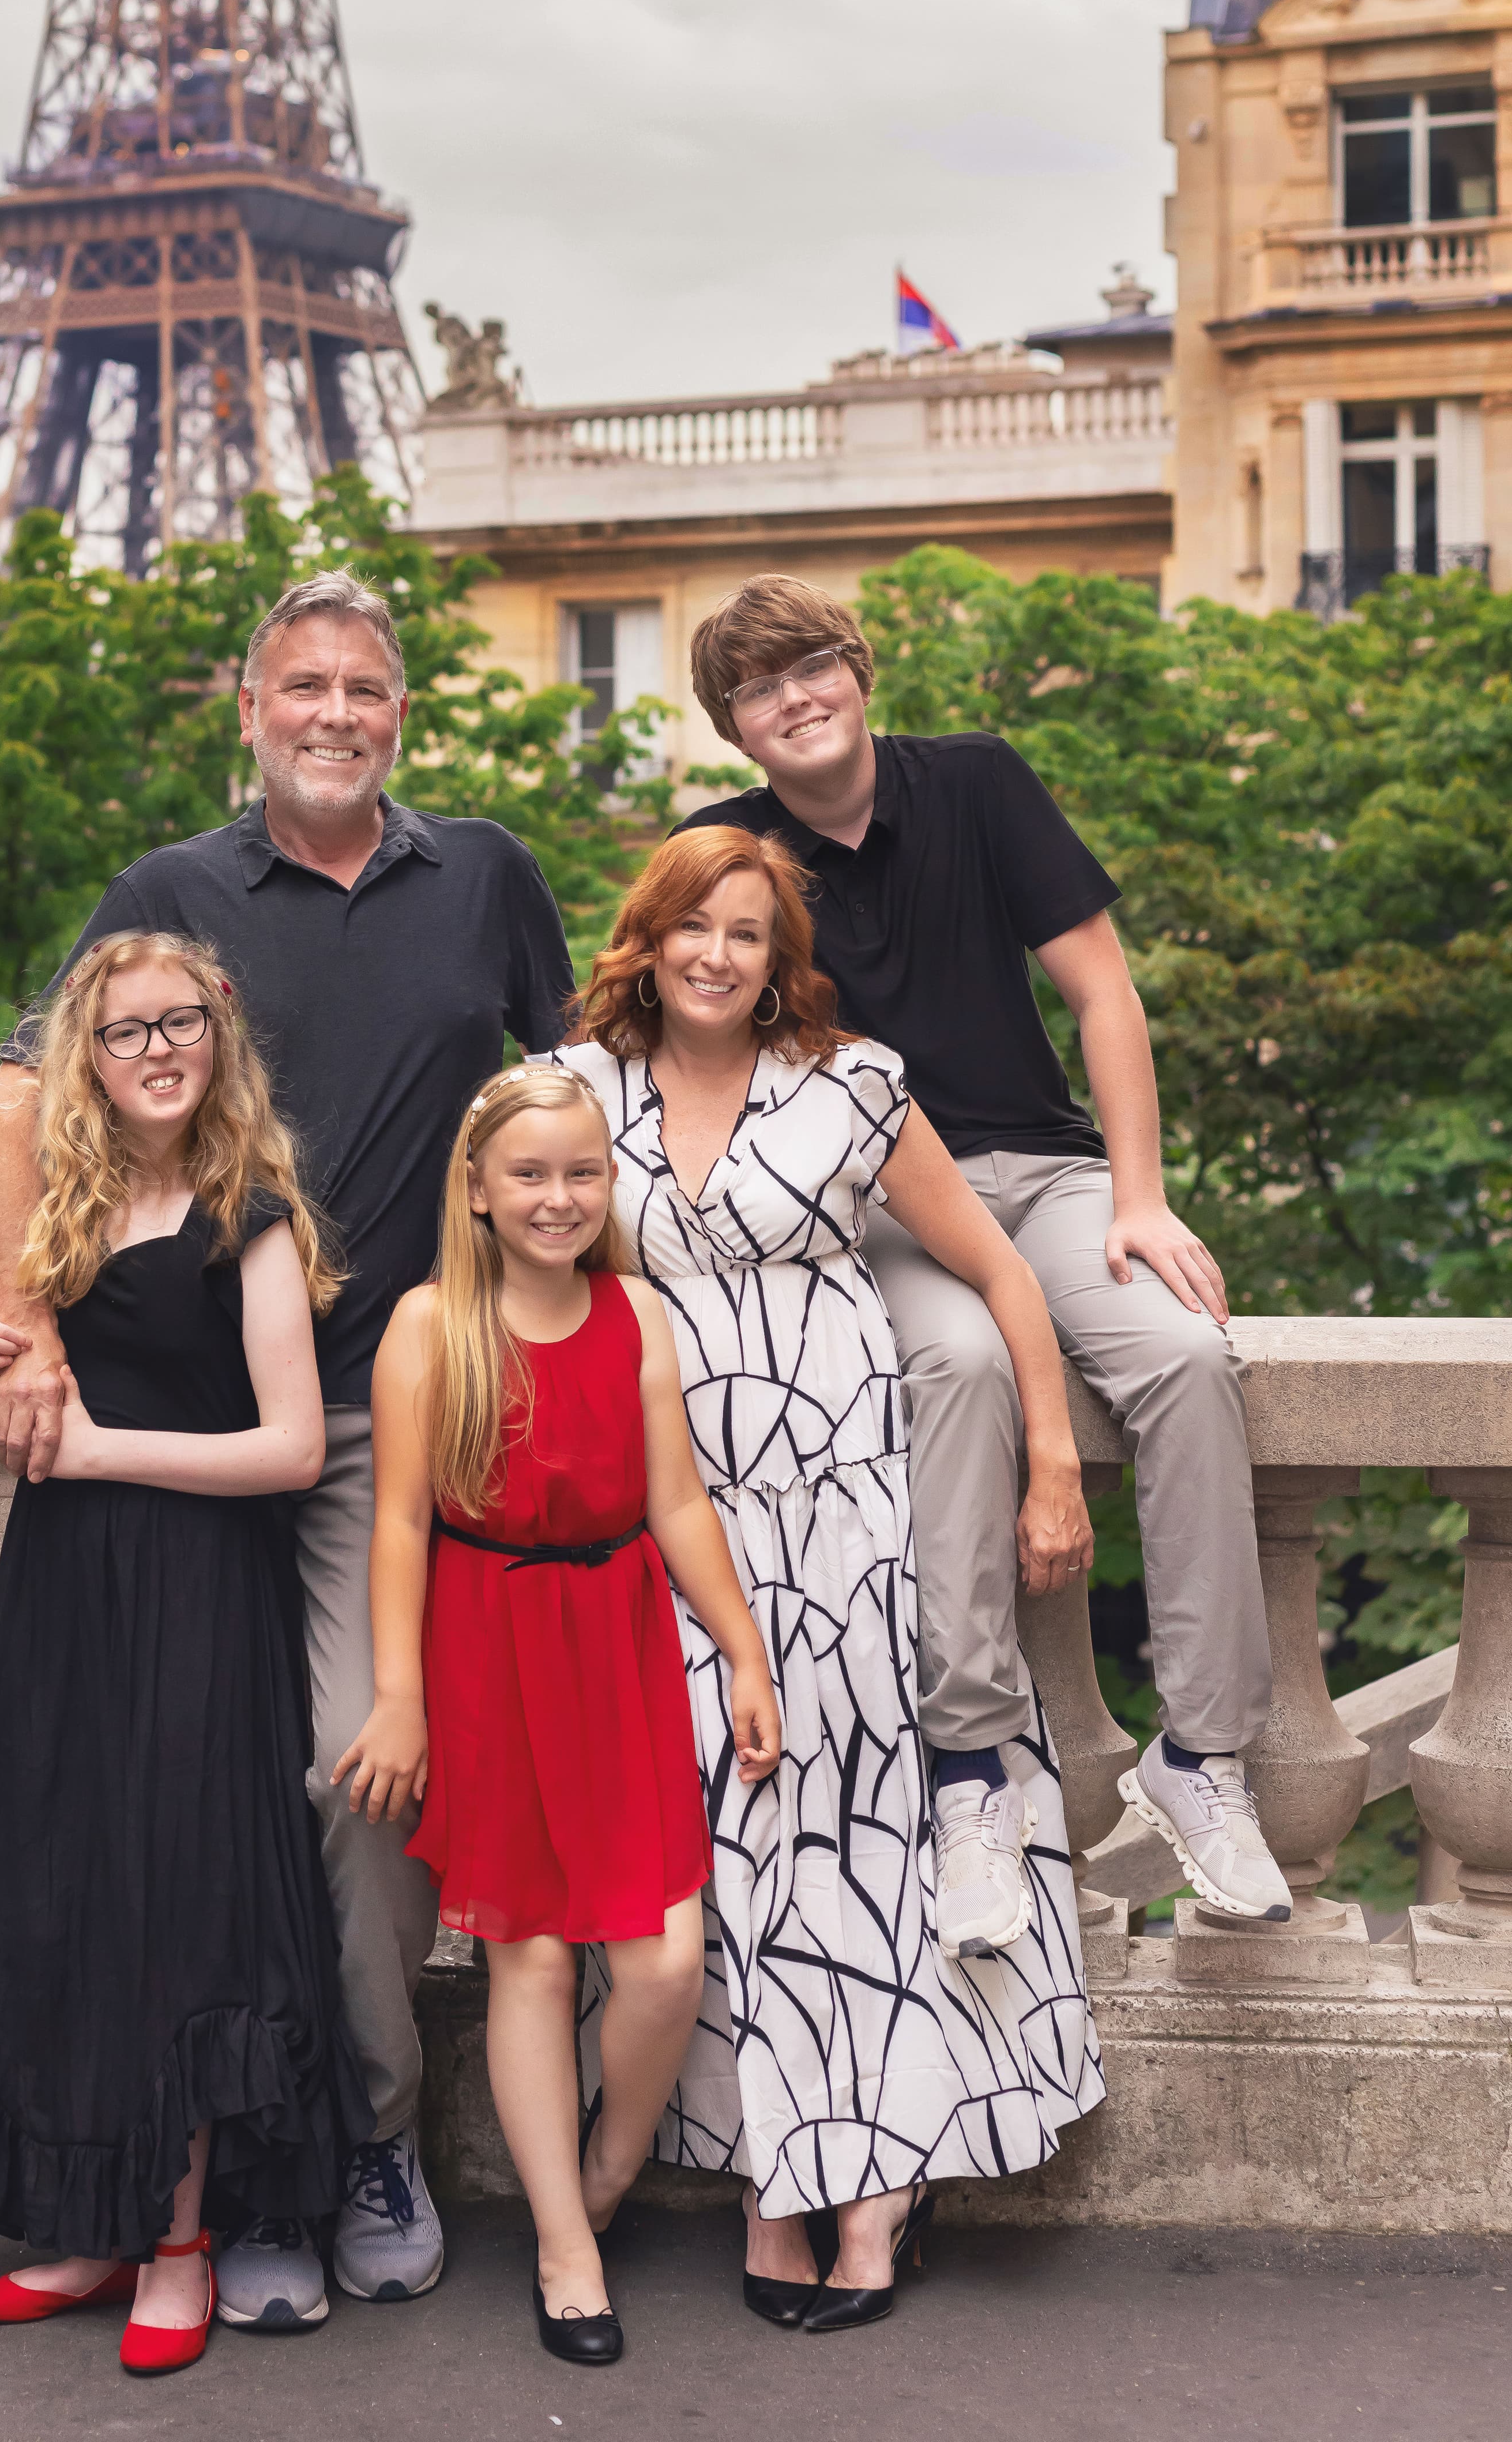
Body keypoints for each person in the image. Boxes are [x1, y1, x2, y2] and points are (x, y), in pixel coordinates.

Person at [0, 569, 578, 2330]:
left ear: (401, 711)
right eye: (304, 686)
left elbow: (581, 1101)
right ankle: (246, 2175)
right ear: (250, 708)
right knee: (182, 1812)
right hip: (200, 1434)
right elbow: (14, 1098)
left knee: (351, 1785)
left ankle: (361, 2140)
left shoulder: (492, 875)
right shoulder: (170, 898)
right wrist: (37, 1330)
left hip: (411, 1420)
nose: (336, 714)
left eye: (366, 689)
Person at [547, 825, 1105, 2331]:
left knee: (853, 1833)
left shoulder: (852, 1084)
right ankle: (771, 2172)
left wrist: (1051, 1458)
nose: (718, 954)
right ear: (649, 939)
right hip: (672, 1513)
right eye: (693, 927)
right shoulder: (582, 1088)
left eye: (747, 931)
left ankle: (871, 2187)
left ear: (776, 954)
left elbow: (999, 1273)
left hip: (844, 1503)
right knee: (724, 1850)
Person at [685, 578, 1288, 1934]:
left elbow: (1103, 991)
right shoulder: (729, 852)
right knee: (952, 1369)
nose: (797, 696)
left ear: (860, 666)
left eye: (814, 664)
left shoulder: (979, 783)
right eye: (760, 688)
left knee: (1190, 1360)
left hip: (1050, 1175)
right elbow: (692, 1042)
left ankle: (1200, 1756)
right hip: (886, 1206)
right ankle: (970, 1769)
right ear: (738, 730)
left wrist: (1140, 1197)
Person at [0, 930, 368, 2380]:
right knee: (62, 1890)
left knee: (177, 1904)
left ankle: (177, 2244)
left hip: (200, 1589)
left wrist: (97, 1447)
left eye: (180, 1026)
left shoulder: (255, 1213)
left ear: (219, 1040)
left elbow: (290, 1450)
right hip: (65, 1594)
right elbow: (32, 1358)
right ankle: (91, 2227)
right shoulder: (67, 1207)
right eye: (124, 1032)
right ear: (84, 1057)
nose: (156, 1052)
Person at [336, 1064, 781, 2366]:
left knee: (661, 1961)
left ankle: (609, 2163)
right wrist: (401, 1699)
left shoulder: (636, 1312)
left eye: (582, 1173)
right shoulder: (429, 1325)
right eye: (529, 1175)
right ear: (477, 1190)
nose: (558, 1198)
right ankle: (562, 2244)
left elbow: (680, 1504)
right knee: (527, 1955)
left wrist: (745, 1654)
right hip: (490, 1649)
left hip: (620, 1637)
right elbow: (402, 1525)